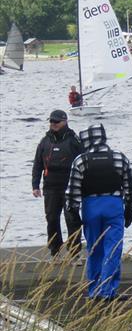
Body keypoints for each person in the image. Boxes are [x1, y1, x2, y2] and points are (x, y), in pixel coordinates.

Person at [65, 124, 132, 300]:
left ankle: (94, 290)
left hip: (90, 207)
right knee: (112, 249)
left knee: (94, 249)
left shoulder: (81, 161)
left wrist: (73, 214)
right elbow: (131, 188)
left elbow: (72, 192)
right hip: (113, 206)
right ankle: (108, 291)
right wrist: (130, 209)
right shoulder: (120, 158)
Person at [31, 110, 84, 260]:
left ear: (65, 121)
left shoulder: (74, 140)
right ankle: (55, 251)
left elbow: (83, 163)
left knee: (71, 219)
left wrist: (85, 185)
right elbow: (37, 164)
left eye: (56, 122)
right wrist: (35, 185)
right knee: (52, 219)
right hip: (50, 187)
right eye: (51, 122)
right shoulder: (44, 141)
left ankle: (74, 252)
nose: (53, 124)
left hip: (70, 187)